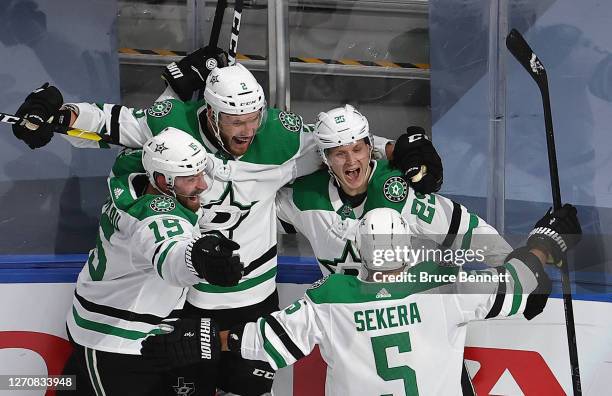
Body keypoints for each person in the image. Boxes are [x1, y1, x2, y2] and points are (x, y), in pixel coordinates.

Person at [12, 53, 443, 394]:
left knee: (248, 389)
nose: (249, 129)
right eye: (237, 120)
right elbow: (116, 123)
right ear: (212, 114)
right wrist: (61, 114)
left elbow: (345, 144)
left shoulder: (283, 134)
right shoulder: (175, 131)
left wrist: (402, 152)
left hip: (254, 299)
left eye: (254, 118)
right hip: (192, 299)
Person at [141, 204, 582, 395]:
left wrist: (204, 340)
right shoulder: (444, 284)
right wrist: (544, 243)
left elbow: (260, 341)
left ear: (361, 252)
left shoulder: (330, 298)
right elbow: (519, 283)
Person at [58, 128, 239, 396]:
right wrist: (199, 258)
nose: (203, 185)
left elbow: (137, 140)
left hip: (134, 328)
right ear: (163, 182)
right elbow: (169, 253)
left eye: (201, 173)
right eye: (190, 178)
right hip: (114, 340)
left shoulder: (128, 169)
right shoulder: (153, 217)